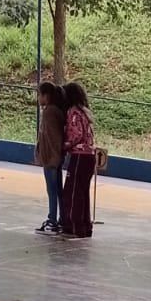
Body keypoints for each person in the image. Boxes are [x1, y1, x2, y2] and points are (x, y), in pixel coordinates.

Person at [59, 81, 96, 238]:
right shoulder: (84, 112)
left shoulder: (73, 112)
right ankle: (85, 226)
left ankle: (74, 225)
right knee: (82, 192)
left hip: (80, 156)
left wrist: (65, 145)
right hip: (89, 156)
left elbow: (77, 134)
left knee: (73, 192)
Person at [33, 81, 67, 235]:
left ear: (46, 96)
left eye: (39, 94)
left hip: (51, 159)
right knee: (57, 190)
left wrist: (52, 157)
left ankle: (52, 220)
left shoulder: (49, 113)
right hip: (54, 158)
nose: (38, 98)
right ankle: (62, 218)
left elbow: (53, 138)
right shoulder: (56, 111)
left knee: (52, 190)